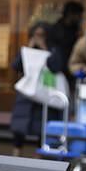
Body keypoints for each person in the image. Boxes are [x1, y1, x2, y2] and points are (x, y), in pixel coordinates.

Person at [9, 22, 57, 156]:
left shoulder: (52, 49)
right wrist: (28, 49)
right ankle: (16, 153)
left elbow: (56, 66)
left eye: (41, 35)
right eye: (36, 35)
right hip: (26, 93)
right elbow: (16, 65)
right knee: (19, 125)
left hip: (43, 92)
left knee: (42, 125)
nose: (38, 38)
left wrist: (44, 48)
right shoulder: (26, 49)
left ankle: (39, 156)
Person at [47, 1, 84, 84]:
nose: (80, 18)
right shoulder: (56, 30)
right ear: (71, 14)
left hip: (70, 69)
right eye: (79, 15)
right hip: (59, 69)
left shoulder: (75, 29)